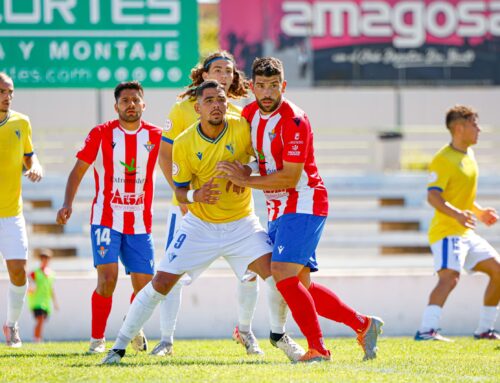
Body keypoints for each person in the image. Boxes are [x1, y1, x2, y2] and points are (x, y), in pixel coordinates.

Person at [100, 80, 303, 365]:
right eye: (209, 101)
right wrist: (199, 194)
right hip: (200, 226)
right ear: (197, 108)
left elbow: (263, 160)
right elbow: (180, 189)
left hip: (242, 224)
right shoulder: (183, 142)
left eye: (220, 99)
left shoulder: (241, 127)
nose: (216, 105)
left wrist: (247, 169)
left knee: (277, 276)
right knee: (161, 282)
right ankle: (118, 347)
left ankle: (278, 334)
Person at [217, 57, 384, 362]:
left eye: (273, 86)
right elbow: (257, 157)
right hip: (277, 206)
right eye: (261, 86)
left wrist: (246, 179)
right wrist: (244, 167)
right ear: (252, 87)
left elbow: (291, 176)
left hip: (305, 202)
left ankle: (318, 349)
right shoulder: (249, 114)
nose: (267, 92)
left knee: (280, 273)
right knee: (299, 285)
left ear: (283, 85)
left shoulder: (295, 119)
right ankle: (364, 325)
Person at [154, 51, 262, 356]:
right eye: (218, 69)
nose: (225, 75)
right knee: (172, 273)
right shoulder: (182, 109)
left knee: (251, 271)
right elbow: (165, 154)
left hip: (236, 210)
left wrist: (246, 174)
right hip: (189, 206)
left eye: (229, 70)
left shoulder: (241, 114)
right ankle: (166, 340)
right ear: (203, 75)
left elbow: (253, 158)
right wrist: (184, 195)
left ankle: (246, 330)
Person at [56, 81, 162, 353]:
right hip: (106, 218)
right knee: (107, 280)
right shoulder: (101, 134)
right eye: (125, 100)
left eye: (135, 100)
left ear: (143, 104)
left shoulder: (155, 136)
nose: (130, 104)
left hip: (139, 221)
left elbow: (177, 165)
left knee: (146, 288)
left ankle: (131, 324)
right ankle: (97, 340)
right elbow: (78, 170)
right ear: (116, 106)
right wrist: (67, 203)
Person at [415, 105, 500, 341]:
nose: (479, 129)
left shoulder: (469, 156)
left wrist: (480, 212)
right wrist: (458, 215)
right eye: (474, 124)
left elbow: (461, 197)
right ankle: (425, 331)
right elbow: (433, 196)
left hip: (465, 232)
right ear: (459, 128)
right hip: (446, 232)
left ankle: (484, 330)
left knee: (498, 271)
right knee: (450, 277)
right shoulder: (443, 159)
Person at [0, 72, 43, 348]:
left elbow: (29, 155)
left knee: (18, 271)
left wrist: (35, 166)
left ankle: (12, 325)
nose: (8, 96)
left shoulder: (21, 121)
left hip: (10, 213)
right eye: (3, 91)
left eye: (10, 92)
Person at [28, 249, 58, 342]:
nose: (45, 260)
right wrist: (30, 289)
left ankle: (38, 338)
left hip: (46, 302)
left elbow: (51, 288)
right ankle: (37, 339)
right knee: (40, 320)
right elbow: (29, 284)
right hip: (36, 301)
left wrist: (55, 302)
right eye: (43, 258)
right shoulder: (35, 272)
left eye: (47, 258)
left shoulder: (52, 274)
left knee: (42, 321)